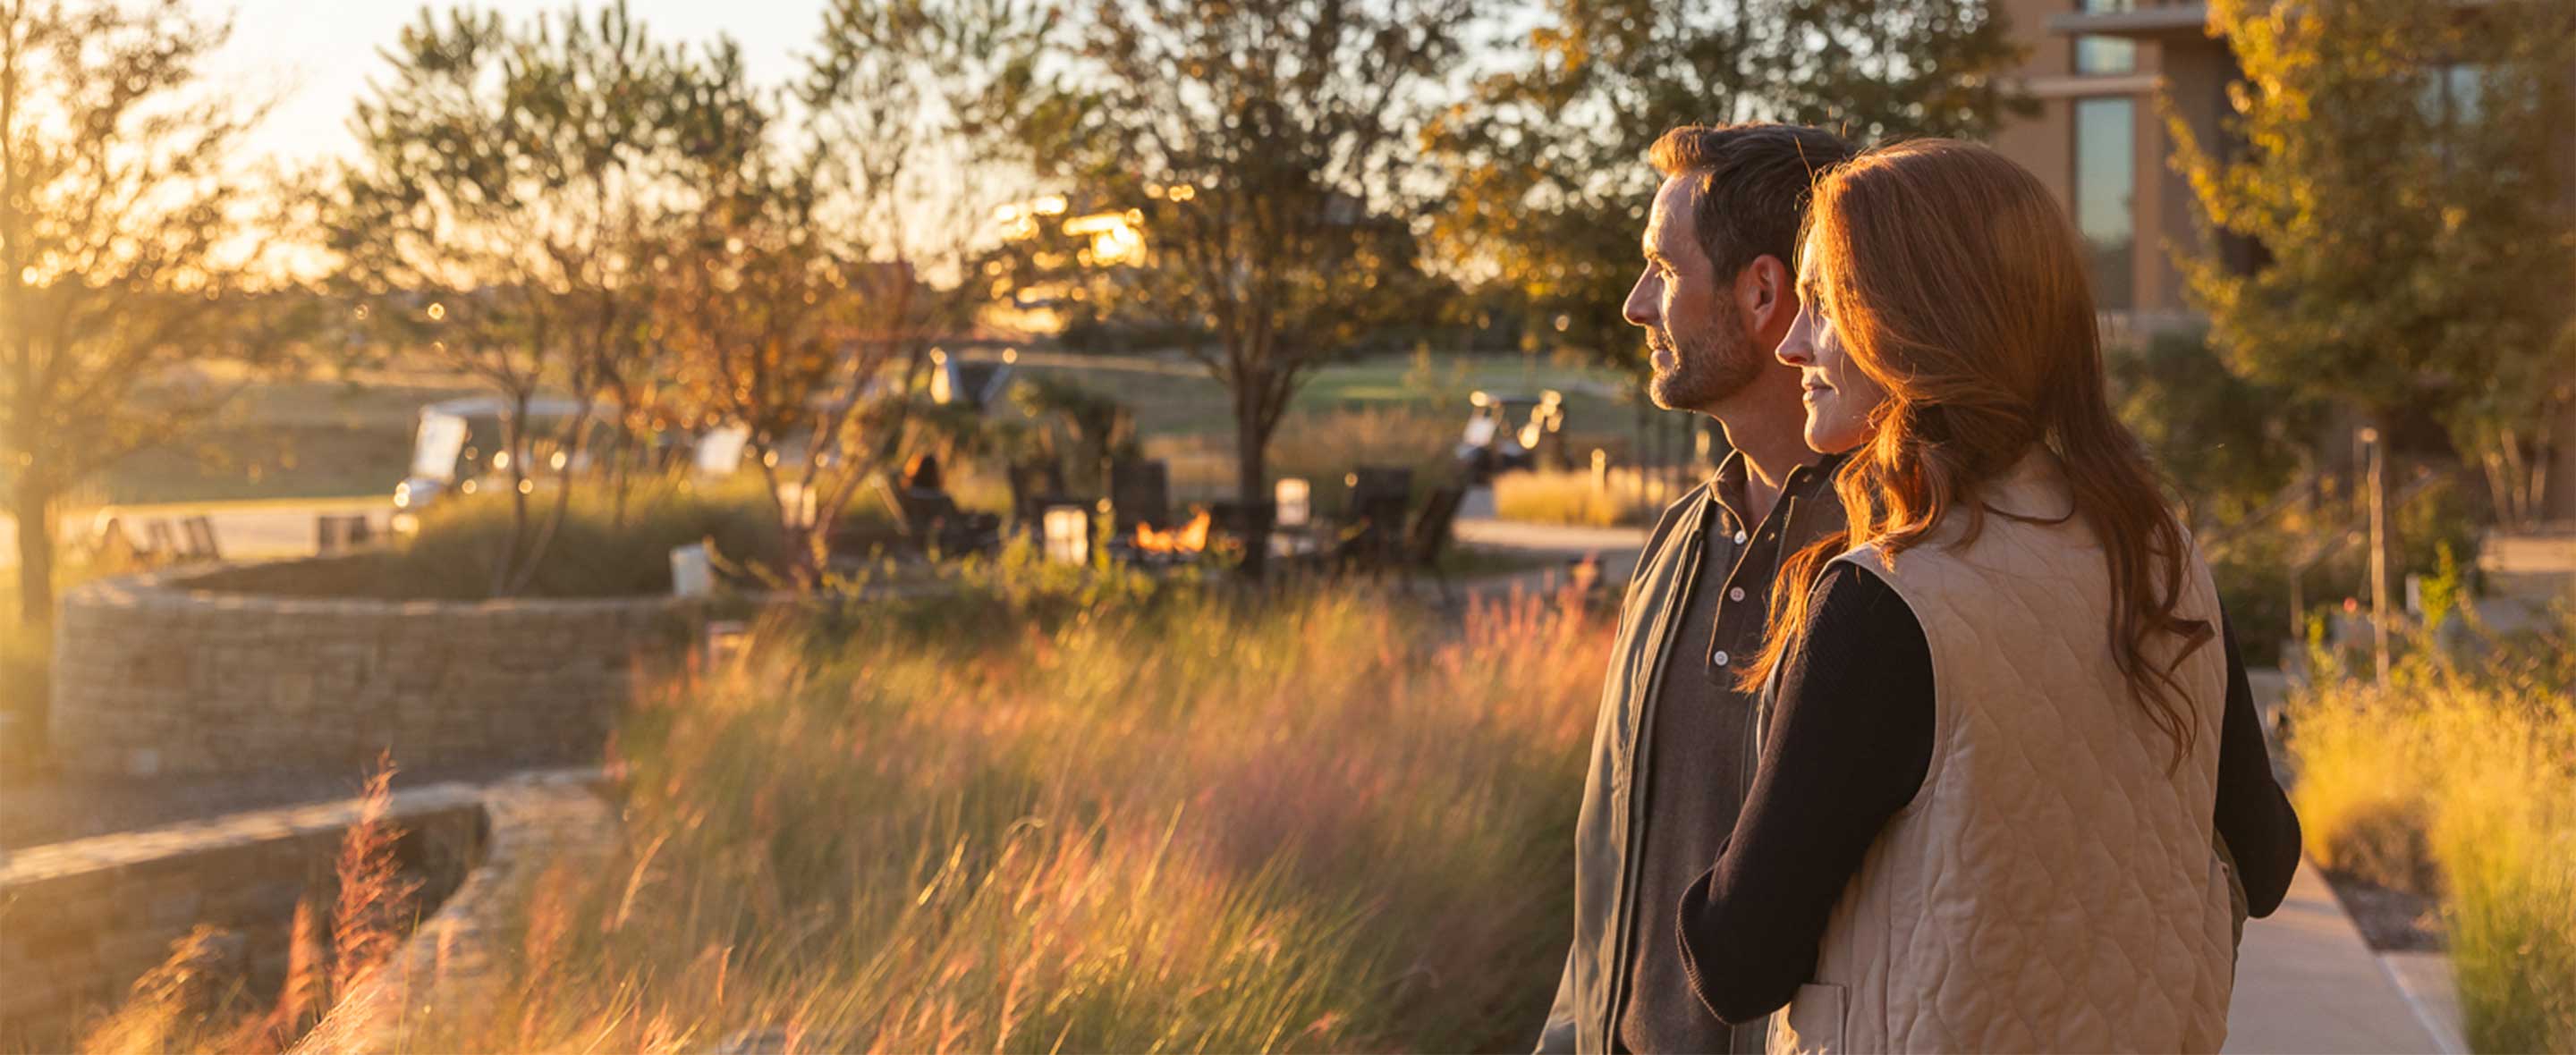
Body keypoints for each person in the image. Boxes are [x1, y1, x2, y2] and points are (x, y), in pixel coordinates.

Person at [1673, 139, 2302, 1053]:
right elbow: (2268, 858)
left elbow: (1736, 964)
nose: (1793, 341)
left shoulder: (1886, 602)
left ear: (1914, 320)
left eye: (1823, 303)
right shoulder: (2159, 555)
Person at [1538, 122, 1864, 1055]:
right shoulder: (1677, 543)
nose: (1639, 305)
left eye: (1665, 273)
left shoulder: (1897, 560)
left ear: (1764, 292)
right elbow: (1614, 873)